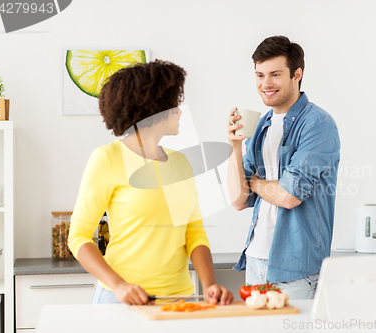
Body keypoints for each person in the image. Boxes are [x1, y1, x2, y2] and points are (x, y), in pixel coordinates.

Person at [69, 60, 233, 306]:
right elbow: (78, 237)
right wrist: (119, 285)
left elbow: (194, 231)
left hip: (179, 300)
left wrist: (209, 284)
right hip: (121, 301)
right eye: (173, 105)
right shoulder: (107, 159)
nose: (179, 111)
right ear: (152, 109)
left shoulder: (181, 163)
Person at [227, 35, 340, 299]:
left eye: (275, 74)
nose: (265, 84)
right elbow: (238, 200)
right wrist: (234, 147)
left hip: (296, 266)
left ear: (296, 75)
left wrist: (254, 182)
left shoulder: (317, 124)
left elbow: (289, 196)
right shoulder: (261, 124)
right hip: (255, 257)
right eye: (259, 75)